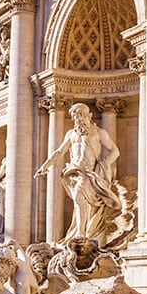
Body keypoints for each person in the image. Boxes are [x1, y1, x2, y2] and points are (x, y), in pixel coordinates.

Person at [35, 102, 122, 247]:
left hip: (89, 173)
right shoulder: (71, 134)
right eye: (75, 117)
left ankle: (81, 233)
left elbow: (115, 151)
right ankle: (81, 231)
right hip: (73, 172)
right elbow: (59, 152)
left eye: (82, 115)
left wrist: (104, 164)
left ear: (89, 116)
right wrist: (46, 166)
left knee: (78, 197)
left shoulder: (99, 133)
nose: (79, 119)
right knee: (79, 202)